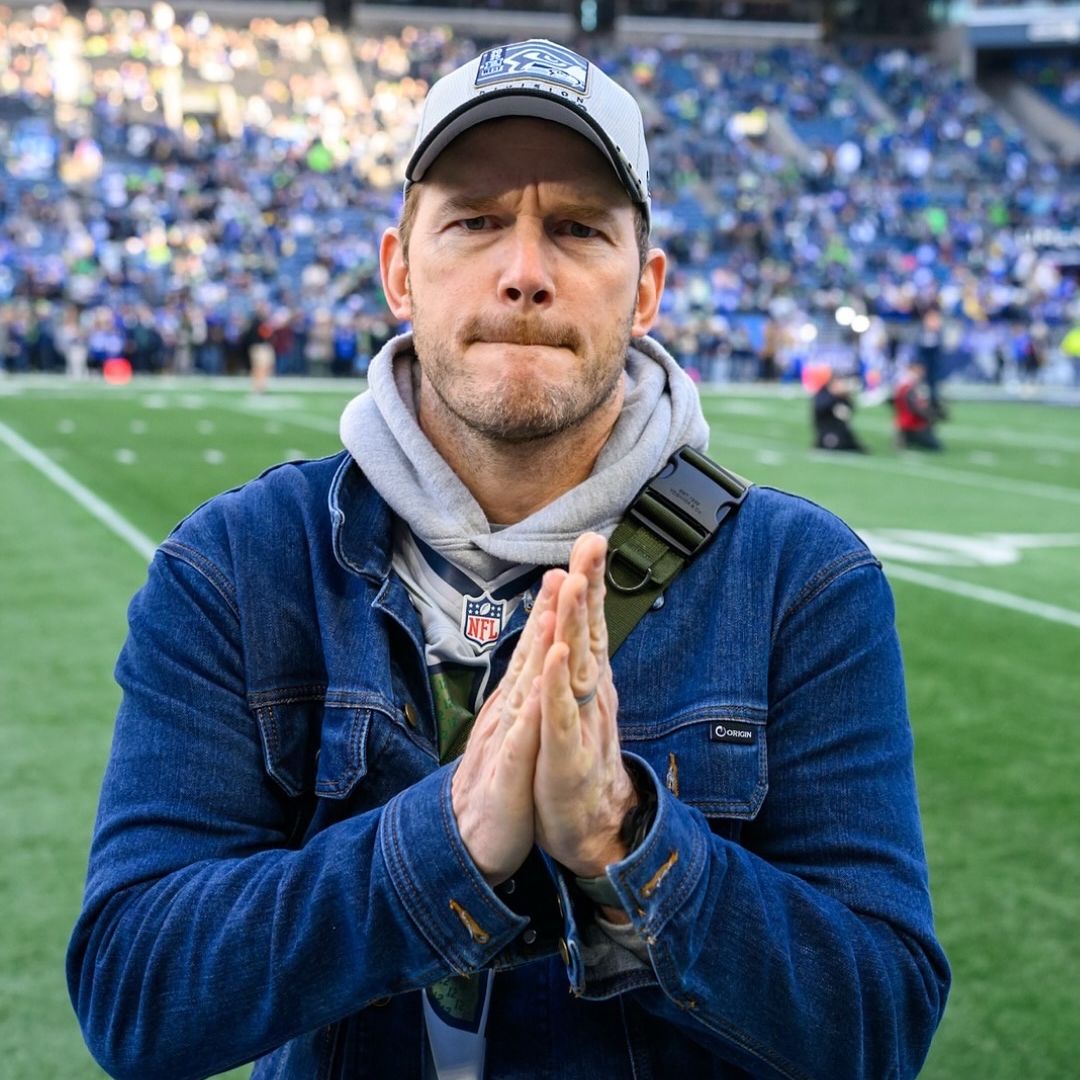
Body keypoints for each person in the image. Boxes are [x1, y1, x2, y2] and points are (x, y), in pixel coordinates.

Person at [68, 39, 949, 1080]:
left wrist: (627, 842)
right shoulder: (238, 565)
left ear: (647, 288)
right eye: (475, 222)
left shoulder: (800, 580)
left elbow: (881, 1024)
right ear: (401, 269)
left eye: (576, 229)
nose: (525, 273)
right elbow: (135, 998)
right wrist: (441, 843)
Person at [893, 361, 943, 451]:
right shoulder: (908, 387)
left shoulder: (908, 385)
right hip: (913, 425)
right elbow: (915, 408)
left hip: (906, 423)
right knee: (936, 447)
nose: (922, 372)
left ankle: (907, 439)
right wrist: (930, 415)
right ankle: (909, 439)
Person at [812, 372, 868, 452]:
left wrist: (846, 397)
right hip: (828, 433)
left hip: (843, 432)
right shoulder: (824, 394)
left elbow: (849, 412)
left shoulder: (843, 398)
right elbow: (821, 408)